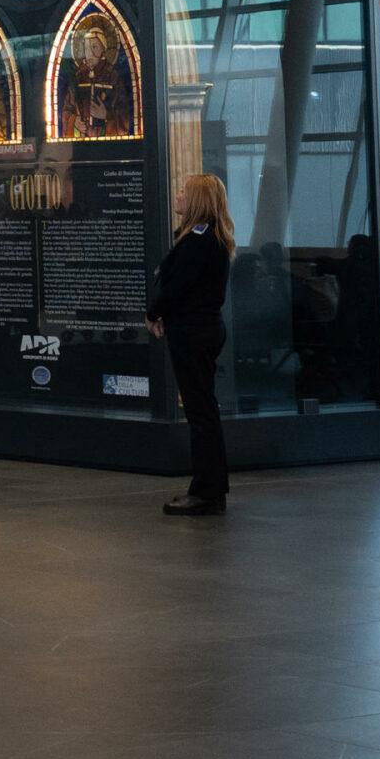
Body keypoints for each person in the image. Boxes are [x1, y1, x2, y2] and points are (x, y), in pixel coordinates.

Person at [150, 172, 234, 517]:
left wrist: (153, 312)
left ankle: (206, 491)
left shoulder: (199, 240)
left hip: (193, 330)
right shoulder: (208, 237)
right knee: (203, 409)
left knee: (201, 412)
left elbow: (178, 286)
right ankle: (210, 486)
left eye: (184, 192)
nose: (178, 196)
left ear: (197, 200)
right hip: (201, 328)